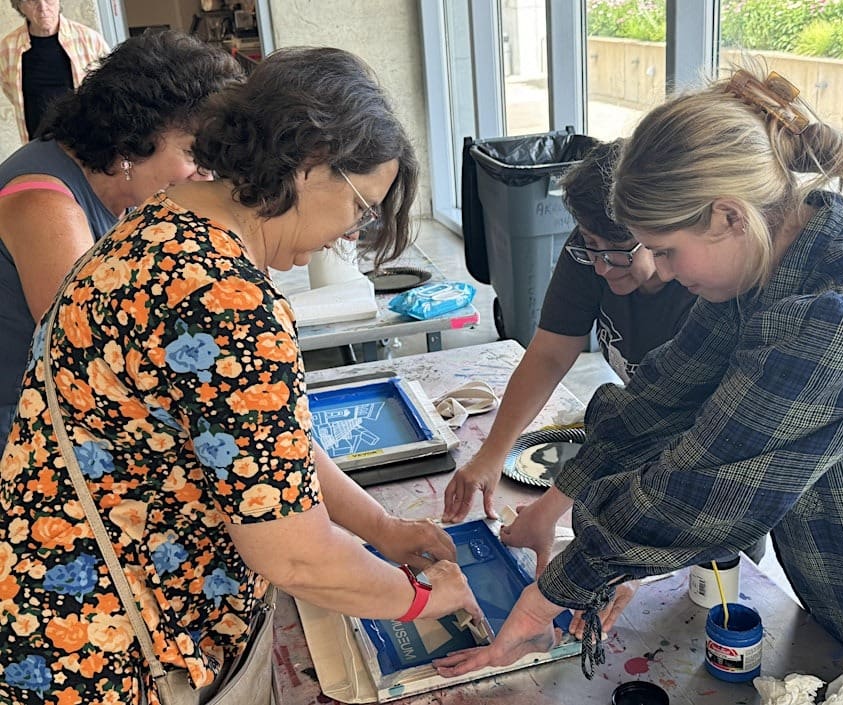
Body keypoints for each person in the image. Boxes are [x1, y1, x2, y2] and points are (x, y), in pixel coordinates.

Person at [433, 65, 843, 705]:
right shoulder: (768, 247)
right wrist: (565, 496)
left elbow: (709, 487)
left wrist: (555, 592)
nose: (662, 273)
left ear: (726, 214)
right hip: (835, 569)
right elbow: (657, 399)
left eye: (665, 251)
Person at [0, 46, 483, 705]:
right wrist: (422, 596)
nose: (349, 235)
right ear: (313, 164)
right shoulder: (228, 301)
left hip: (52, 615)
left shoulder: (158, 222)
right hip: (118, 656)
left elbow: (258, 450)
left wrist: (384, 528)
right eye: (361, 207)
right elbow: (294, 552)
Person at [0, 29, 244, 455]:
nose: (206, 175)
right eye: (194, 155)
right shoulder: (46, 205)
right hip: (23, 432)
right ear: (135, 135)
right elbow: (95, 354)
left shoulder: (125, 187)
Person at [442, 139, 696, 524]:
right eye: (591, 245)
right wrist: (492, 453)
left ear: (660, 233)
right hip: (636, 439)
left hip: (704, 460)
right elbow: (549, 354)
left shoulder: (701, 291)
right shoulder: (590, 250)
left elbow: (662, 421)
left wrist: (549, 510)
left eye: (619, 252)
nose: (601, 267)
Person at [0, 0, 109, 143]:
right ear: (20, 6)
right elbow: (10, 90)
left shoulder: (90, 40)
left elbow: (109, 89)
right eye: (33, 1)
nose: (43, 8)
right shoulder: (8, 48)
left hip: (86, 140)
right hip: (38, 143)